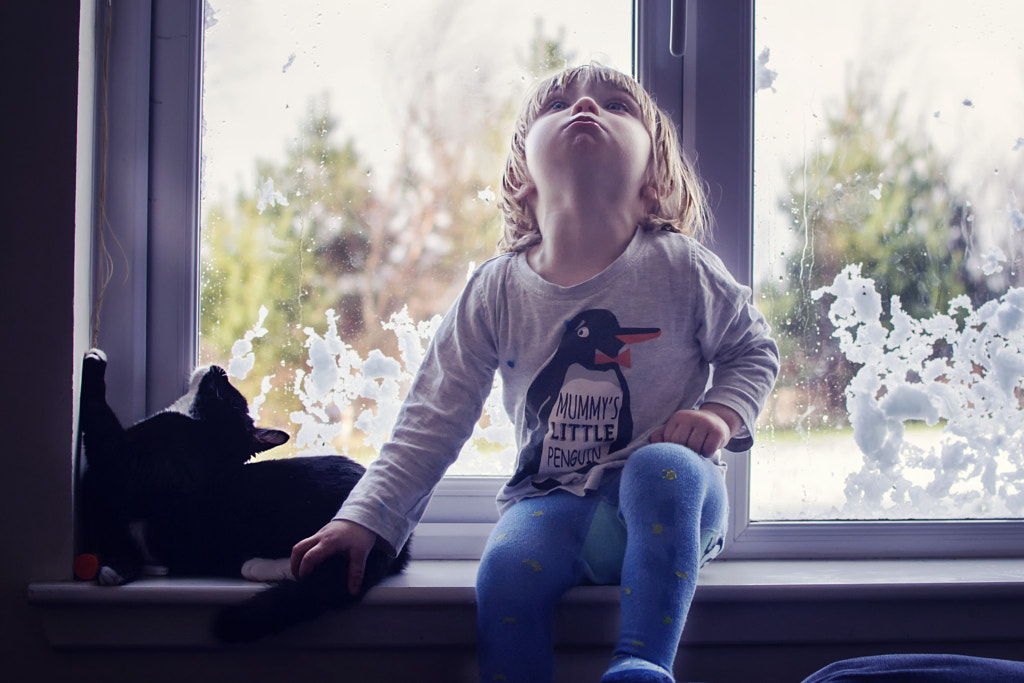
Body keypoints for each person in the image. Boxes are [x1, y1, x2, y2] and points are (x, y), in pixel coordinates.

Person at [291, 63, 779, 683]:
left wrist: (720, 413)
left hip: (671, 507)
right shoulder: (496, 288)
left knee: (664, 468)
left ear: (654, 179)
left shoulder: (681, 267)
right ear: (522, 177)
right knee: (502, 568)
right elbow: (431, 418)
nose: (585, 107)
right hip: (552, 502)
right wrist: (365, 517)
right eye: (559, 103)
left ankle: (642, 665)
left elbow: (753, 349)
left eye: (615, 104)